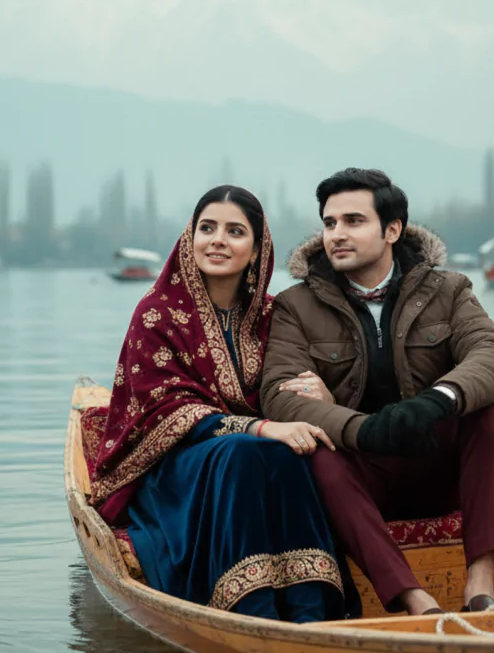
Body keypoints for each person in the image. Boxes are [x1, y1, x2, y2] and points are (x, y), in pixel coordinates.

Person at [89, 185, 355, 622]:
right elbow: (164, 408)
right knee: (245, 452)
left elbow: (296, 385)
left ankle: (314, 610)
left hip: (258, 458)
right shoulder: (156, 313)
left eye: (235, 231)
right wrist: (257, 427)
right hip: (175, 467)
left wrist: (321, 394)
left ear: (256, 250)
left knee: (289, 452)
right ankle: (250, 608)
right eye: (207, 228)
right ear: (189, 238)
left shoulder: (273, 317)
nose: (217, 240)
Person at [260, 168, 494, 617]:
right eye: (329, 223)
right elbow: (281, 395)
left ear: (392, 230)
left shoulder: (449, 290)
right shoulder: (295, 306)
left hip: (442, 473)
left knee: (489, 413)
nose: (337, 234)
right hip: (360, 481)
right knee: (314, 453)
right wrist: (363, 430)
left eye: (353, 221)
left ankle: (480, 582)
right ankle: (413, 599)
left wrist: (439, 399)